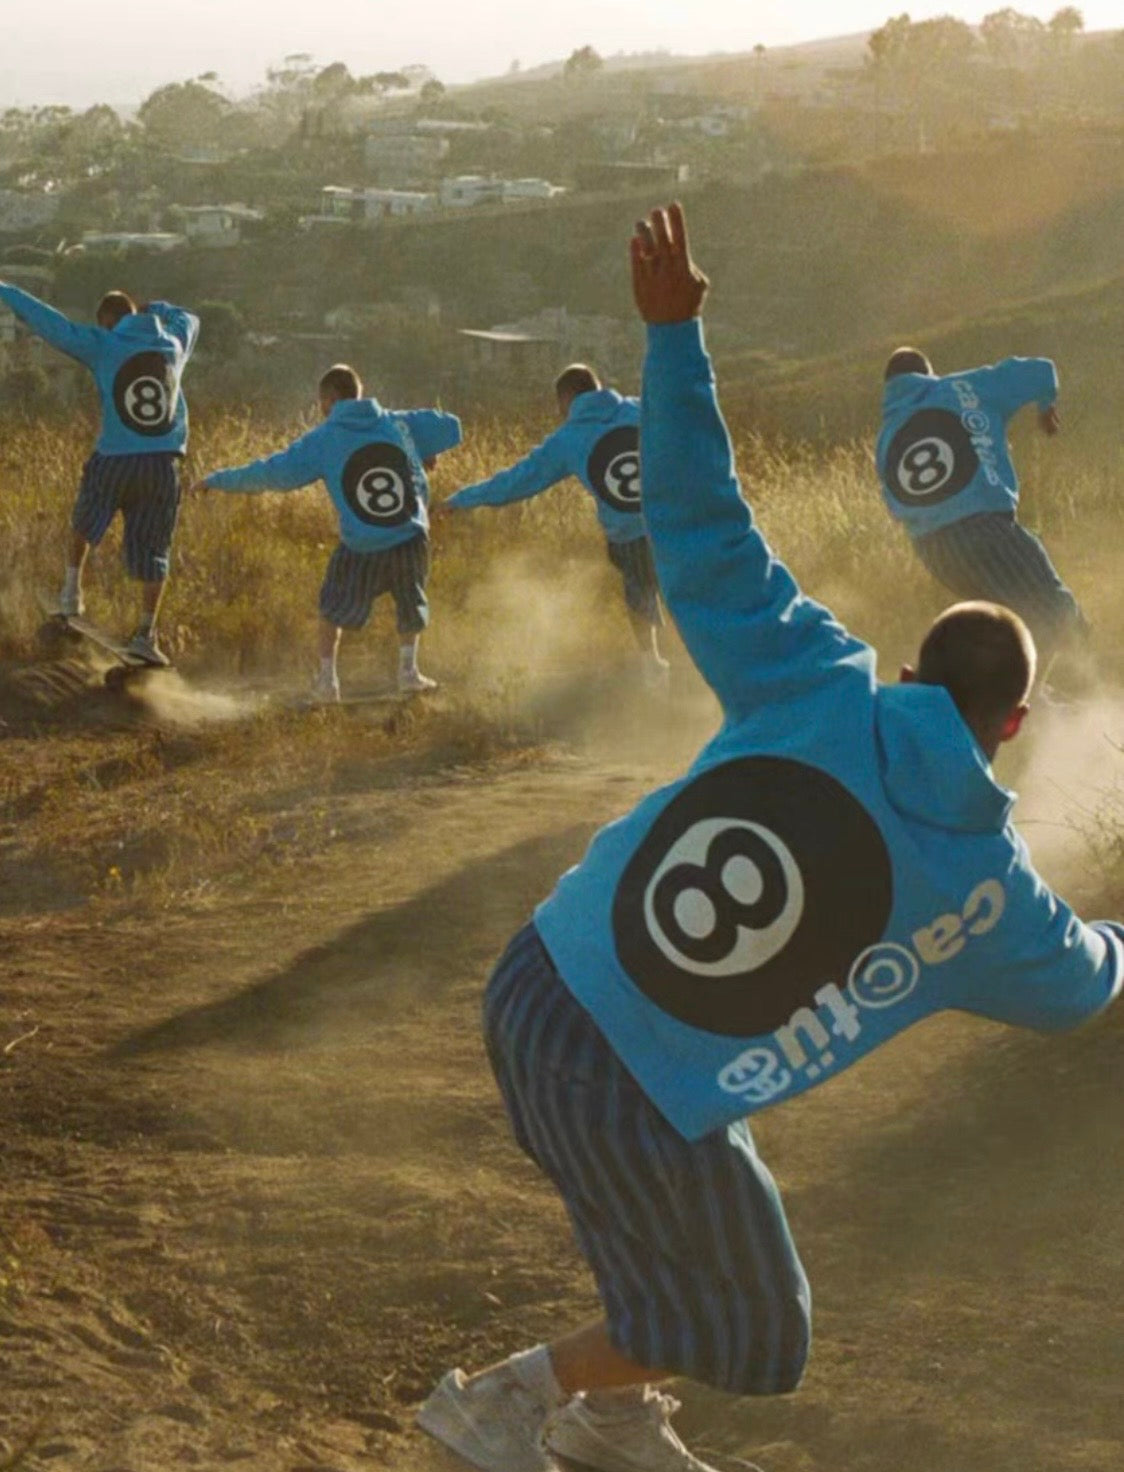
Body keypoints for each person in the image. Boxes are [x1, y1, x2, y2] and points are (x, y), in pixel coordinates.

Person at [415, 203, 1123, 1472]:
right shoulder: (986, 891)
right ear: (1014, 723)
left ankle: (610, 1425)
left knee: (707, 1242)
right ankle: (504, 1402)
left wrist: (672, 337)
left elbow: (700, 522)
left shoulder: (813, 674)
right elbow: (1081, 982)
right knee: (751, 1329)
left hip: (541, 976)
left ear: (908, 670)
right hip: (632, 1074)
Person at [192, 365, 460, 700]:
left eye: (321, 403)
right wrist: (423, 445)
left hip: (363, 543)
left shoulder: (323, 439)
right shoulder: (397, 422)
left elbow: (272, 473)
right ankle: (408, 672)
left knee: (331, 608)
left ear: (329, 401)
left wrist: (217, 480)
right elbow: (452, 427)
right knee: (411, 600)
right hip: (410, 534)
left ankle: (327, 681)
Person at [0, 281, 199, 662]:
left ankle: (71, 593)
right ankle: (146, 634)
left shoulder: (103, 343)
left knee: (85, 521)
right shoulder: (175, 343)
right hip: (163, 464)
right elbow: (190, 318)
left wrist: (4, 288)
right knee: (155, 552)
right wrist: (157, 307)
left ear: (107, 320)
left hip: (116, 458)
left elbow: (49, 322)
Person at [442, 364, 669, 690]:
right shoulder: (639, 409)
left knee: (639, 594)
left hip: (629, 535)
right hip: (673, 520)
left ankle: (652, 666)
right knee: (689, 590)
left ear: (566, 398)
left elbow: (516, 481)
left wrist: (461, 499)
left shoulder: (568, 439)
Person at [876, 343, 1089, 677]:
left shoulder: (886, 437)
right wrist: (1046, 406)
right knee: (1057, 613)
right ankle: (1081, 688)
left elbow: (895, 505)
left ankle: (997, 694)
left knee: (1006, 625)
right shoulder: (962, 387)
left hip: (935, 553)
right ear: (929, 375)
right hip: (984, 530)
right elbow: (1041, 369)